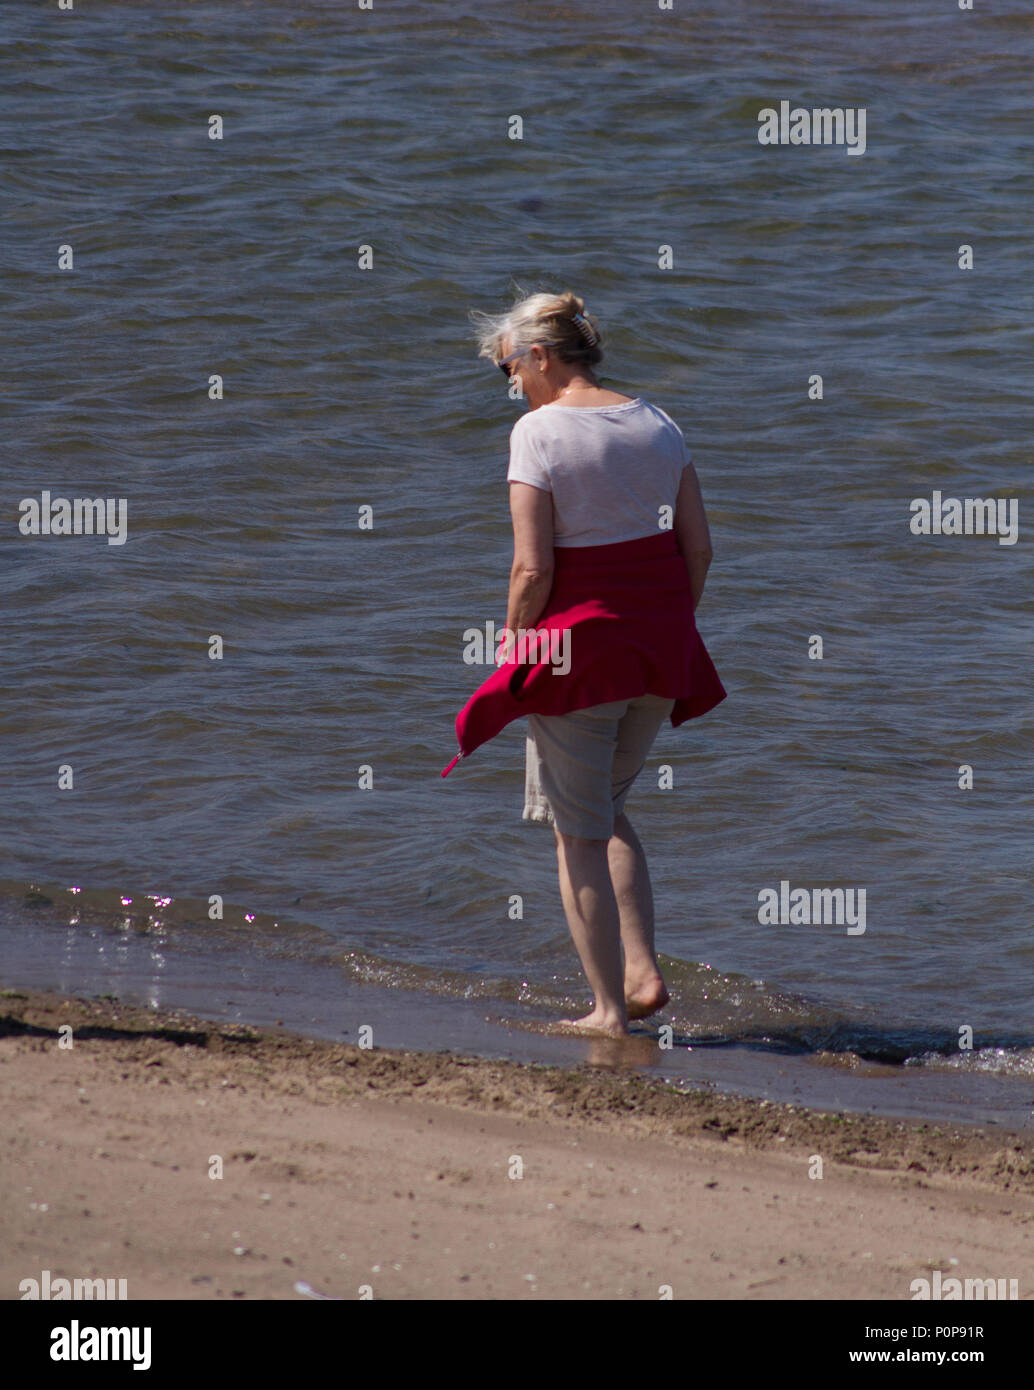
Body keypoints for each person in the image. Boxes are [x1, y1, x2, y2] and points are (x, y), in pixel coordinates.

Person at [445, 289, 725, 1037]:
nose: (511, 385)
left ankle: (608, 1013)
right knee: (605, 810)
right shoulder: (658, 422)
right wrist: (667, 627)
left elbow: (532, 571)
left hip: (578, 657)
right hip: (658, 655)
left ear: (539, 356)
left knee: (577, 834)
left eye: (508, 369)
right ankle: (640, 973)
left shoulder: (537, 433)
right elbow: (698, 549)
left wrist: (515, 649)